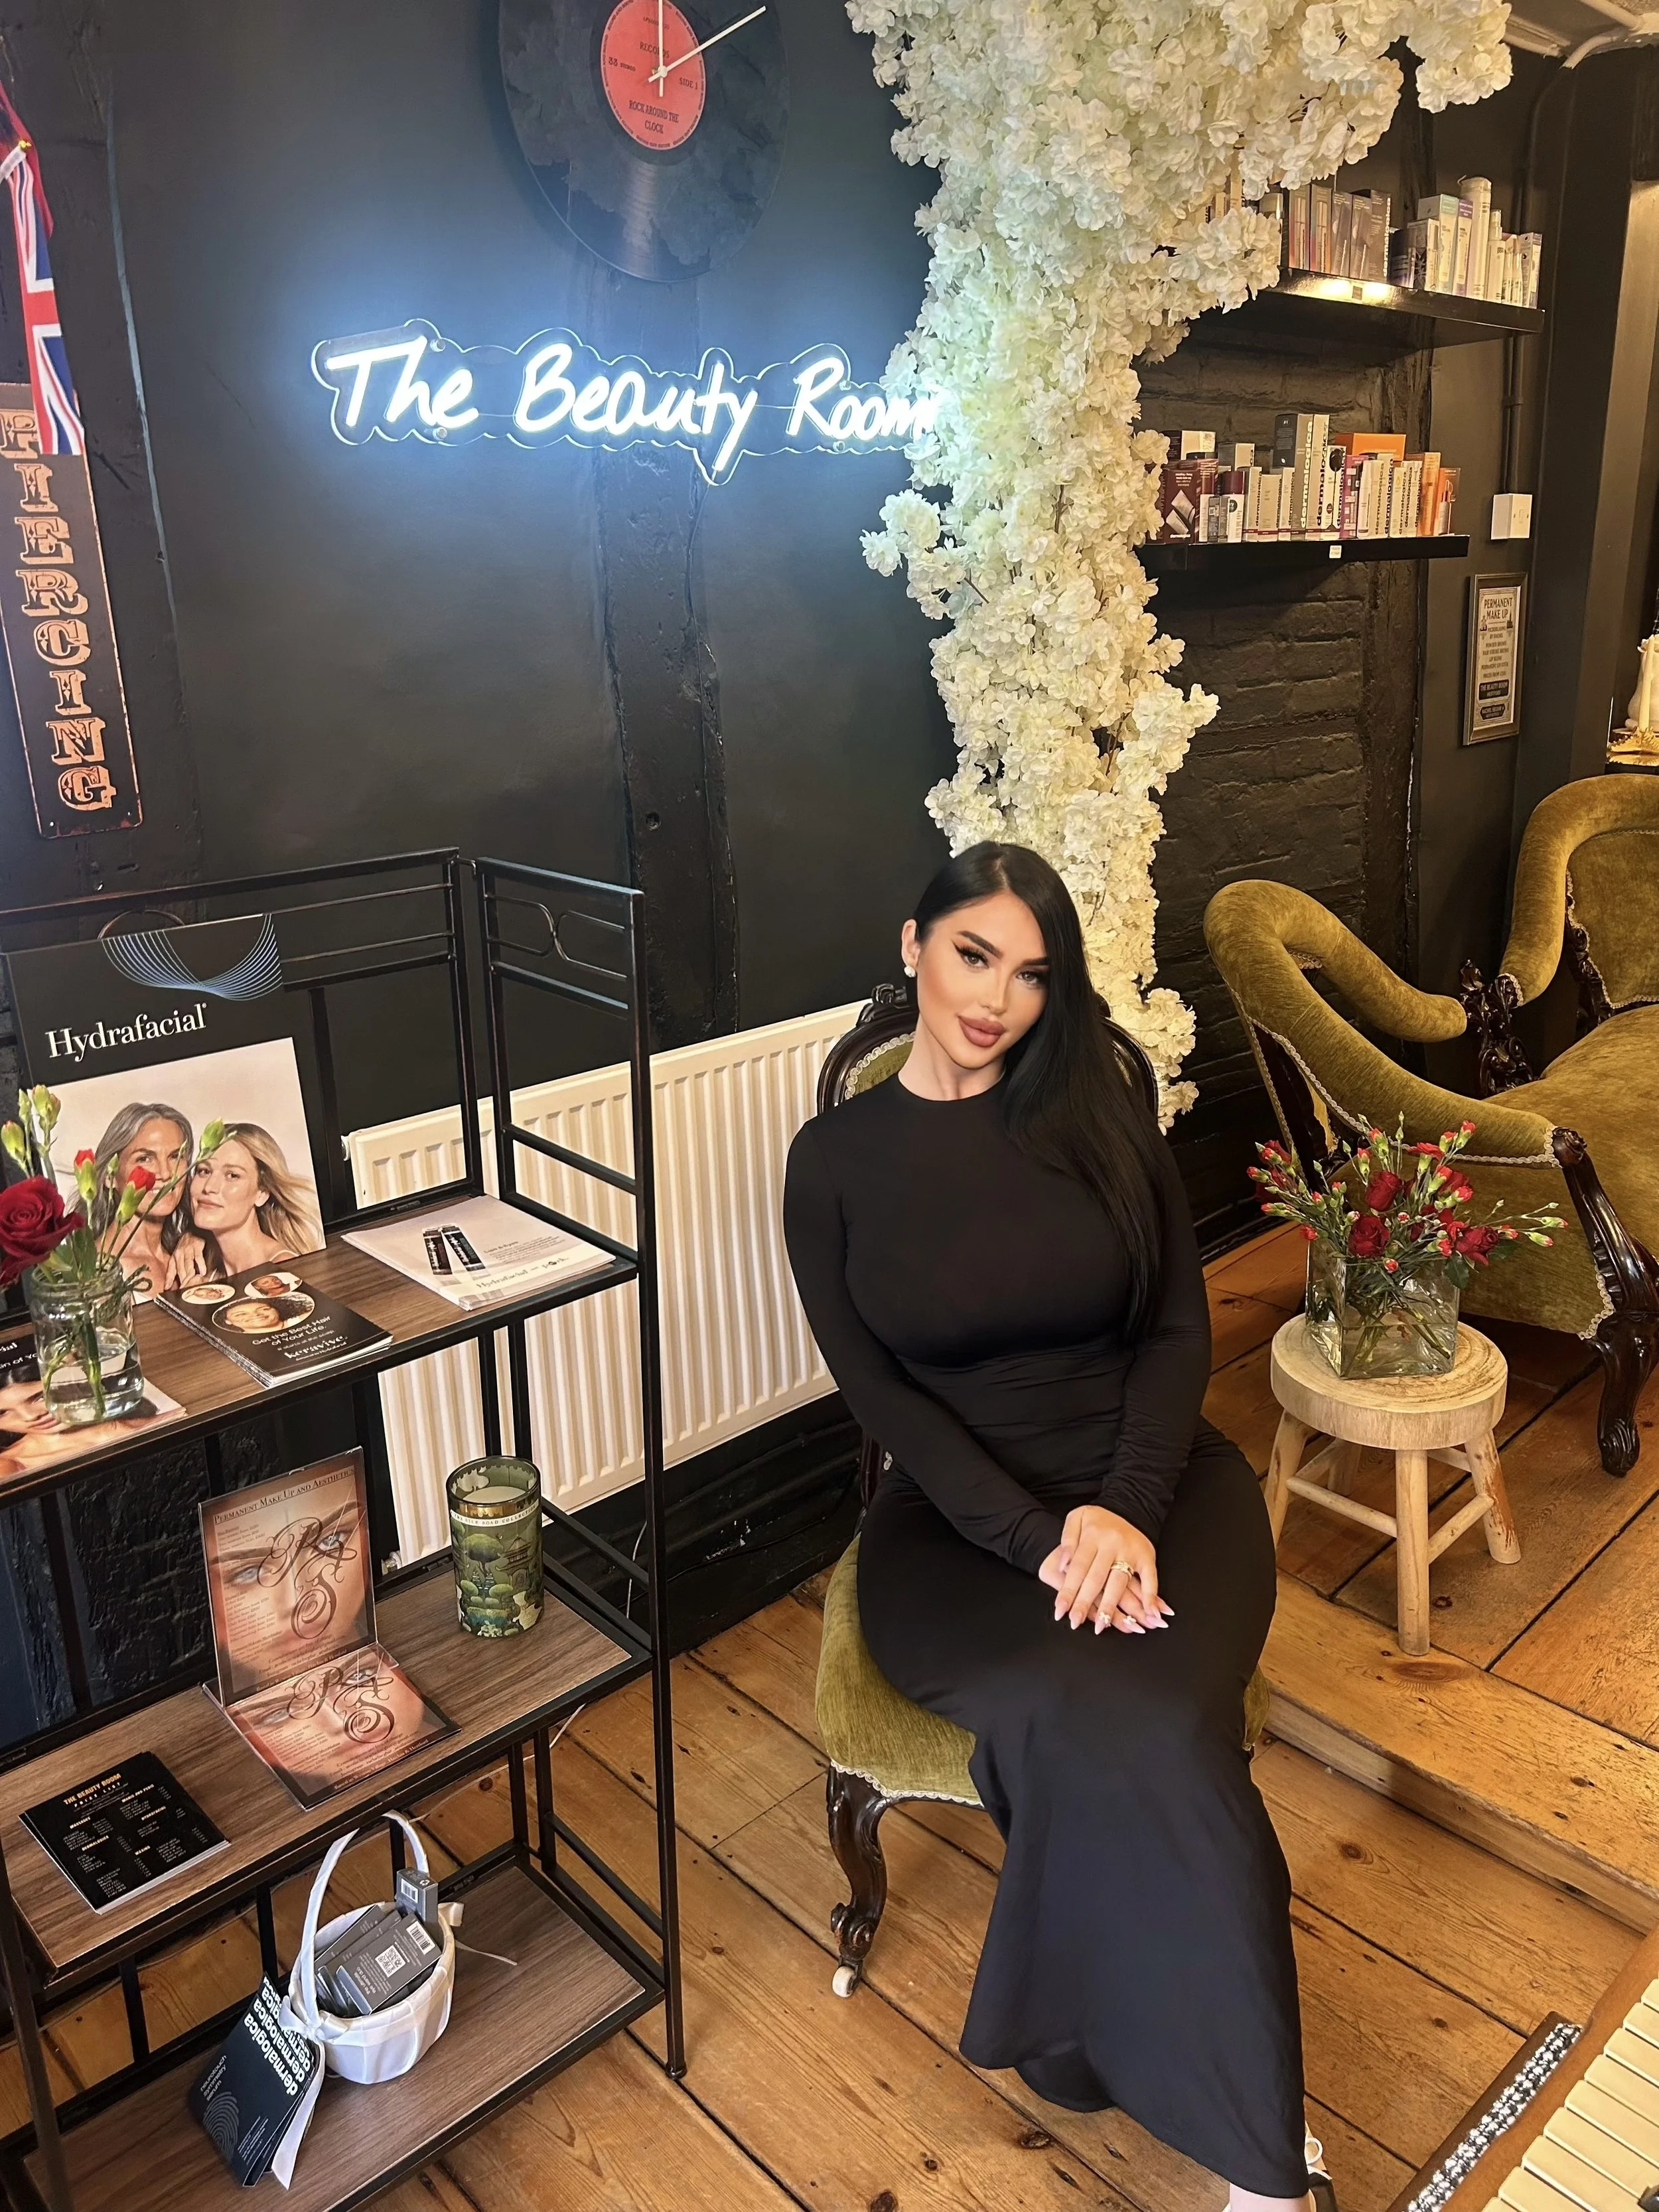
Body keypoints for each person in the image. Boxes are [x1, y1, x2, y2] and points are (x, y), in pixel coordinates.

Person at [783, 842, 1326, 2212]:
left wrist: (1121, 1512)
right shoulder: (832, 1160)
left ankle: (1183, 2111)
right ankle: (1232, 2132)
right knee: (1098, 1708)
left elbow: (1173, 1323)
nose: (998, 998)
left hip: (1157, 1482)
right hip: (957, 1522)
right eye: (973, 955)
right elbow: (883, 1395)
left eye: (1032, 973)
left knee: (1140, 1711)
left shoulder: (1091, 1104)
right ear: (913, 943)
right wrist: (1041, 1541)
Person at [88, 1102, 207, 1297]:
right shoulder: (98, 1271)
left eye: (175, 1157)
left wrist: (196, 1235)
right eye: (145, 1158)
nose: (166, 1173)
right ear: (110, 1177)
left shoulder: (188, 1252)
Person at [188, 1123, 323, 1279]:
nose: (210, 1187)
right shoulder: (204, 1277)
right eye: (204, 1171)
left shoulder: (283, 1273)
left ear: (262, 1193)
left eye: (232, 1175)